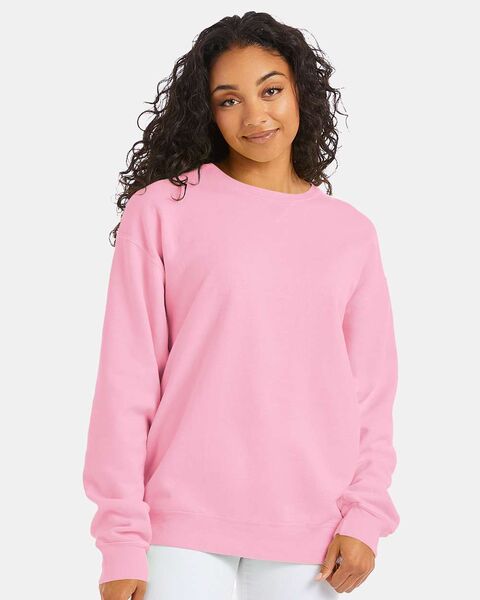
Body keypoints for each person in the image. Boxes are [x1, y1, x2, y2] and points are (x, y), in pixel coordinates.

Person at [82, 10, 400, 599]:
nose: (255, 116)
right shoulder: (162, 210)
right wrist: (121, 539)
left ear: (300, 92)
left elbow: (371, 395)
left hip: (314, 531)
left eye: (271, 90)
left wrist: (366, 515)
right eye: (229, 100)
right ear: (208, 111)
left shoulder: (350, 233)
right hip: (179, 525)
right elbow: (127, 382)